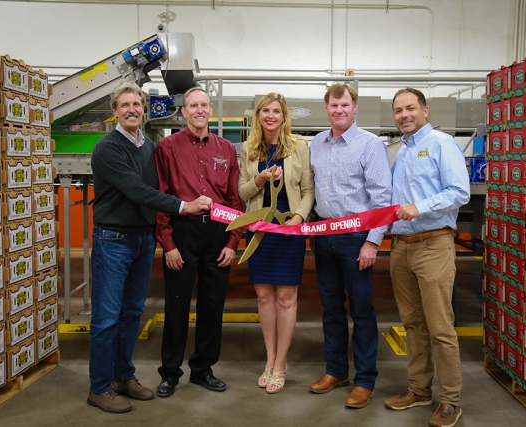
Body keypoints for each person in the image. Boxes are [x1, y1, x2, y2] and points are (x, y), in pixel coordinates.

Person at [88, 81, 212, 414]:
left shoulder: (150, 147)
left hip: (142, 240)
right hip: (113, 240)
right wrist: (185, 206)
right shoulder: (108, 148)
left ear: (144, 110)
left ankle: (122, 377)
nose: (131, 110)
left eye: (137, 105)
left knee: (131, 314)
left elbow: (161, 186)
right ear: (115, 111)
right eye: (125, 105)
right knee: (106, 318)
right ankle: (99, 387)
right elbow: (138, 191)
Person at [385, 88, 469, 427]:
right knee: (413, 325)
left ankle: (451, 400)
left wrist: (419, 207)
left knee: (440, 327)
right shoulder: (402, 152)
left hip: (433, 245)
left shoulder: (440, 143)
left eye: (410, 108)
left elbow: (459, 191)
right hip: (401, 247)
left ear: (424, 109)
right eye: (398, 110)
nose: (404, 115)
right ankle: (419, 389)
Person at [154, 87, 244, 398]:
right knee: (176, 305)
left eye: (204, 105)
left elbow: (234, 199)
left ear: (210, 110)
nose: (200, 110)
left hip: (218, 234)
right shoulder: (167, 147)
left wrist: (233, 241)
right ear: (184, 111)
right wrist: (168, 244)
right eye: (193, 105)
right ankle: (170, 372)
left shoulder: (227, 149)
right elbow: (162, 198)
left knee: (212, 305)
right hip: (183, 232)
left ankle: (203, 369)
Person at [308, 83, 392, 408]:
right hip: (324, 236)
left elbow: (382, 197)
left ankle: (365, 379)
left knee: (361, 310)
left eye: (344, 105)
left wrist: (372, 242)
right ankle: (336, 370)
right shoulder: (316, 143)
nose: (339, 110)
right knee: (330, 308)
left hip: (357, 239)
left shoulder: (370, 145)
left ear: (354, 107)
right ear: (326, 108)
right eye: (333, 105)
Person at [238, 93, 315, 394]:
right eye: (265, 111)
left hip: (289, 232)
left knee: (286, 297)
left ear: (284, 116)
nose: (270, 116)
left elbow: (308, 190)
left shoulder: (299, 147)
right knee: (265, 298)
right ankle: (269, 361)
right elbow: (242, 193)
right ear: (257, 116)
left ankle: (281, 364)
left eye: (276, 111)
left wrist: (299, 217)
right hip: (259, 231)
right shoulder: (248, 149)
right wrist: (259, 180)